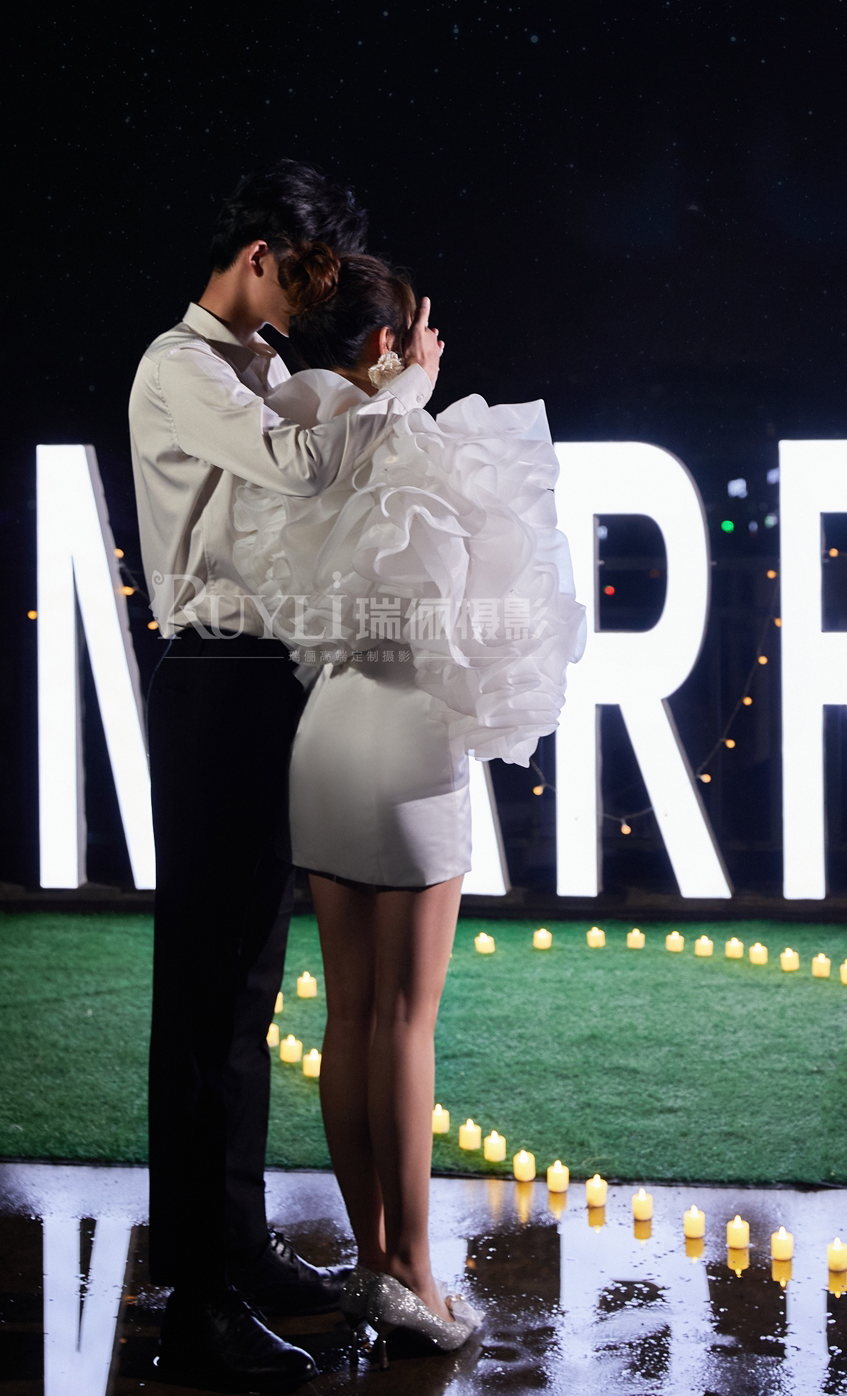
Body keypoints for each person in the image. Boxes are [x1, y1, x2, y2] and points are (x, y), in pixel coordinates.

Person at [230, 252, 583, 1352]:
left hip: (327, 732)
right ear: (389, 340)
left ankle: (372, 1260)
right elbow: (485, 611)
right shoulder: (419, 438)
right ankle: (417, 1276)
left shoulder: (294, 431)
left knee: (348, 1016)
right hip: (411, 739)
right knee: (404, 1022)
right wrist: (415, 386)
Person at [129, 163, 442, 1392]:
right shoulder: (181, 367)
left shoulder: (261, 365)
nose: (313, 298)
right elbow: (302, 464)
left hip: (275, 683)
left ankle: (240, 1247)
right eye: (304, 270)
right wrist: (402, 386)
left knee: (249, 988)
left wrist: (380, 389)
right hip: (214, 678)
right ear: (257, 253)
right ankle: (193, 1300)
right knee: (201, 997)